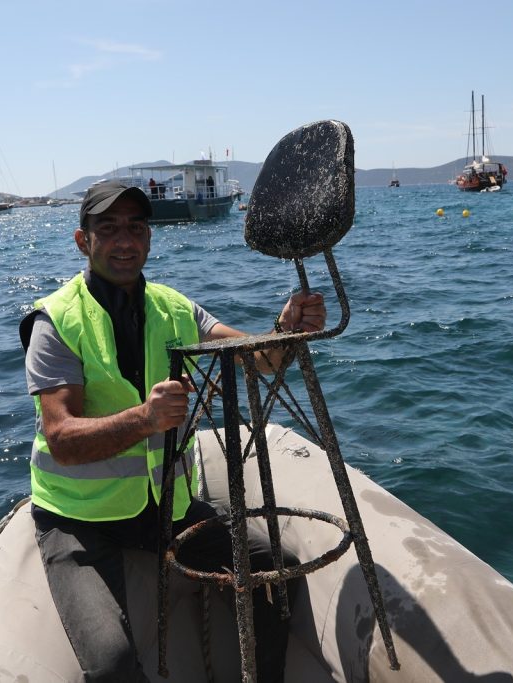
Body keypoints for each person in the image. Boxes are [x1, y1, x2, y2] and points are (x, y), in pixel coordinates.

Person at [20, 179, 326, 682]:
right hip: (78, 520)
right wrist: (145, 417)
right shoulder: (55, 321)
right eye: (109, 228)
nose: (125, 240)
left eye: (136, 228)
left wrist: (287, 327)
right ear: (83, 240)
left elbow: (260, 360)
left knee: (273, 572)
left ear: (149, 237)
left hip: (167, 508)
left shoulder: (175, 308)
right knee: (112, 664)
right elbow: (62, 440)